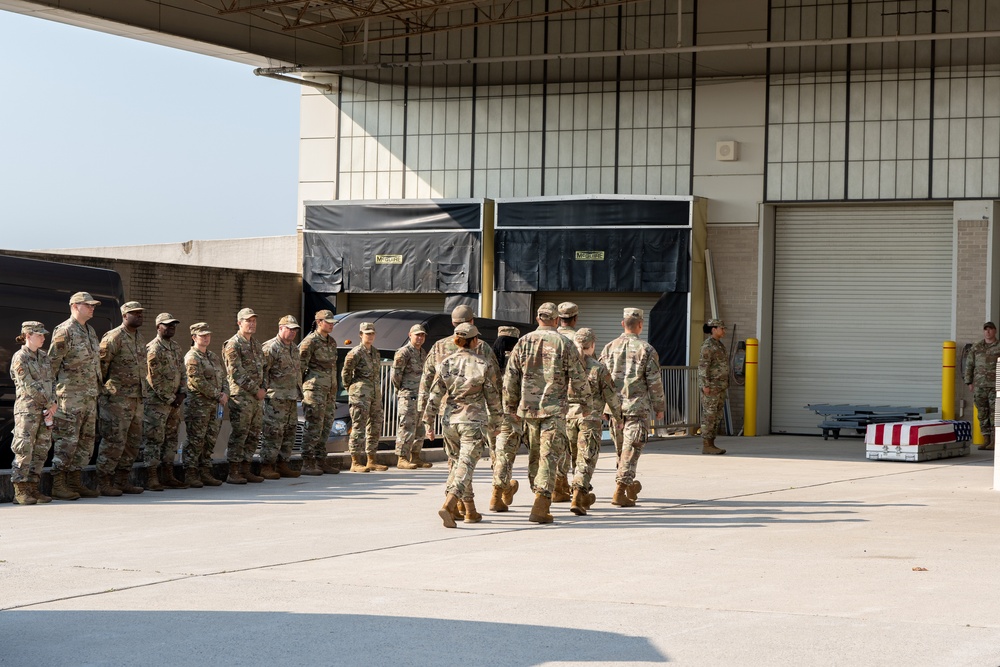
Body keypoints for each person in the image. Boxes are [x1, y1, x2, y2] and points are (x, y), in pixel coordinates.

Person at [500, 302, 590, 524]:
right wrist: (587, 403)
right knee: (549, 456)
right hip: (554, 410)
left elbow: (511, 377)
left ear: (538, 318)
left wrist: (510, 407)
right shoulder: (564, 343)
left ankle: (538, 493)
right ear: (556, 320)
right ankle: (541, 503)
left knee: (535, 454)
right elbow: (578, 376)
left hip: (528, 411)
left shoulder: (523, 342)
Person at [423, 323, 503, 527]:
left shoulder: (446, 363)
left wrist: (428, 421)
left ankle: (470, 510)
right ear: (474, 341)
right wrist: (497, 422)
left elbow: (435, 394)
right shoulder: (482, 364)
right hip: (472, 421)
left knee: (457, 465)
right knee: (466, 466)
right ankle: (449, 504)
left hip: (450, 420)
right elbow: (493, 397)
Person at [600, 307, 666, 507]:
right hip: (636, 408)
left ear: (622, 324)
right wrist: (659, 406)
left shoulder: (608, 348)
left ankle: (628, 487)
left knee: (622, 451)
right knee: (631, 450)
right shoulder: (646, 350)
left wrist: (603, 407)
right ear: (640, 325)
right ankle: (620, 490)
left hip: (614, 410)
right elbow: (654, 381)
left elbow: (600, 379)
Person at [48, 291, 103, 500]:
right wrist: (52, 397)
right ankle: (58, 484)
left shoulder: (90, 331)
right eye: (88, 305)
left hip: (89, 396)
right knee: (66, 441)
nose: (92, 308)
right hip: (69, 396)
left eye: (93, 305)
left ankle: (74, 481)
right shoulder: (65, 331)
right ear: (74, 306)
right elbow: (52, 365)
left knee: (86, 442)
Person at [566, 328, 622, 515]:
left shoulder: (565, 366)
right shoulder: (598, 368)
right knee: (586, 459)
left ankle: (579, 491)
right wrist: (618, 417)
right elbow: (611, 396)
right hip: (589, 420)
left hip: (567, 419)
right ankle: (578, 496)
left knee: (575, 459)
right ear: (592, 345)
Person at [95, 301, 147, 497]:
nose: (140, 316)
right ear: (125, 316)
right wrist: (105, 393)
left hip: (137, 399)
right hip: (117, 400)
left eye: (141, 313)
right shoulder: (114, 337)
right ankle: (104, 482)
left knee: (132, 443)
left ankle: (122, 480)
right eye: (135, 314)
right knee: (113, 441)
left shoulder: (139, 338)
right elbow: (100, 369)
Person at [9, 321, 57, 505]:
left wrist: (53, 403)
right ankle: (20, 490)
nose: (44, 338)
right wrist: (48, 403)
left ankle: (33, 488)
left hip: (46, 410)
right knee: (24, 448)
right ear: (28, 335)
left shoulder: (44, 357)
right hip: (28, 410)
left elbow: (52, 381)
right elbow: (27, 385)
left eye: (44, 334)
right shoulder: (20, 357)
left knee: (41, 449)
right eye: (40, 335)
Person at [142, 313, 188, 490]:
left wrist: (182, 393)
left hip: (174, 403)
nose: (171, 328)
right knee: (154, 439)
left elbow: (182, 372)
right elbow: (154, 379)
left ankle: (168, 475)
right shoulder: (153, 349)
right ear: (158, 327)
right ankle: (152, 477)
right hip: (157, 404)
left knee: (171, 439)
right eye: (167, 325)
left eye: (173, 325)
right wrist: (170, 398)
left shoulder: (175, 347)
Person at [223, 307, 266, 484]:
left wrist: (264, 387)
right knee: (240, 433)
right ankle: (233, 471)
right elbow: (236, 372)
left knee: (254, 433)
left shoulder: (256, 344)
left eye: (254, 321)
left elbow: (263, 369)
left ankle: (246, 468)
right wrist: (256, 390)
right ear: (239, 322)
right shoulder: (233, 344)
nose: (252, 324)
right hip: (241, 396)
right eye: (248, 321)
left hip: (256, 398)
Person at [182, 322, 227, 487]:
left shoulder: (213, 356)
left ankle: (205, 471)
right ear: (194, 337)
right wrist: (218, 395)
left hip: (215, 405)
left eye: (208, 335)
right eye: (202, 335)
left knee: (210, 439)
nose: (206, 338)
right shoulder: (192, 357)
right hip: (198, 405)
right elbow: (197, 381)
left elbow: (223, 377)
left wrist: (225, 393)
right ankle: (190, 473)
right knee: (196, 439)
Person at [260, 315, 303, 479]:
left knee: (290, 431)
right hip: (275, 398)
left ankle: (283, 463)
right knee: (273, 432)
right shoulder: (270, 347)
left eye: (295, 330)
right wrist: (265, 390)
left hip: (291, 397)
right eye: (289, 329)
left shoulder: (294, 348)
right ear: (281, 328)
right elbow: (263, 372)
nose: (293, 333)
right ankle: (266, 465)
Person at [299, 310, 341, 475]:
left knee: (325, 426)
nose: (331, 325)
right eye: (328, 322)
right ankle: (307, 462)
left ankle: (320, 460)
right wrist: (302, 389)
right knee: (313, 426)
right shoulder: (309, 342)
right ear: (319, 322)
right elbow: (300, 368)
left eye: (332, 323)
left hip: (329, 392)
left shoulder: (332, 342)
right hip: (314, 391)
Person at [342, 321, 387, 472]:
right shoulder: (355, 353)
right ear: (361, 335)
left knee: (375, 425)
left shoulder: (375, 352)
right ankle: (355, 461)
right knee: (359, 426)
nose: (370, 336)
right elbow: (346, 373)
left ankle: (371, 460)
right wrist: (351, 388)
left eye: (372, 333)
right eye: (367, 333)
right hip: (360, 394)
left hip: (374, 394)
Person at [552, 301, 580, 502]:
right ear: (575, 318)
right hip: (574, 402)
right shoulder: (577, 340)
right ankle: (575, 486)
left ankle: (558, 485)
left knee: (557, 446)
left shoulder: (548, 337)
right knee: (576, 447)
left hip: (549, 400)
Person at [392, 323, 430, 469]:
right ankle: (402, 457)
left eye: (422, 335)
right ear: (410, 335)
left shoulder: (422, 352)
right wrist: (402, 390)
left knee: (420, 427)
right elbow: (396, 375)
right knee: (407, 425)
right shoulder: (404, 352)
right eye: (417, 335)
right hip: (408, 395)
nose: (420, 338)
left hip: (420, 396)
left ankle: (416, 455)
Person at [963, 320, 1000, 451]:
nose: (988, 331)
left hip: (996, 385)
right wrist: (969, 381)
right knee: (982, 413)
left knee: (995, 413)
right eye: (986, 329)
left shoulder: (999, 346)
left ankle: (995, 440)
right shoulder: (976, 347)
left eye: (990, 329)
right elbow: (969, 365)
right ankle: (986, 439)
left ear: (995, 331)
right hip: (980, 386)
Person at [698, 318, 729, 455]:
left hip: (720, 386)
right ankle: (706, 444)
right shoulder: (708, 346)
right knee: (709, 415)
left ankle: (712, 443)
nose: (724, 331)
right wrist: (705, 385)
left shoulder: (719, 345)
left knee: (717, 415)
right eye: (721, 328)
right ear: (714, 329)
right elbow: (703, 366)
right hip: (711, 387)